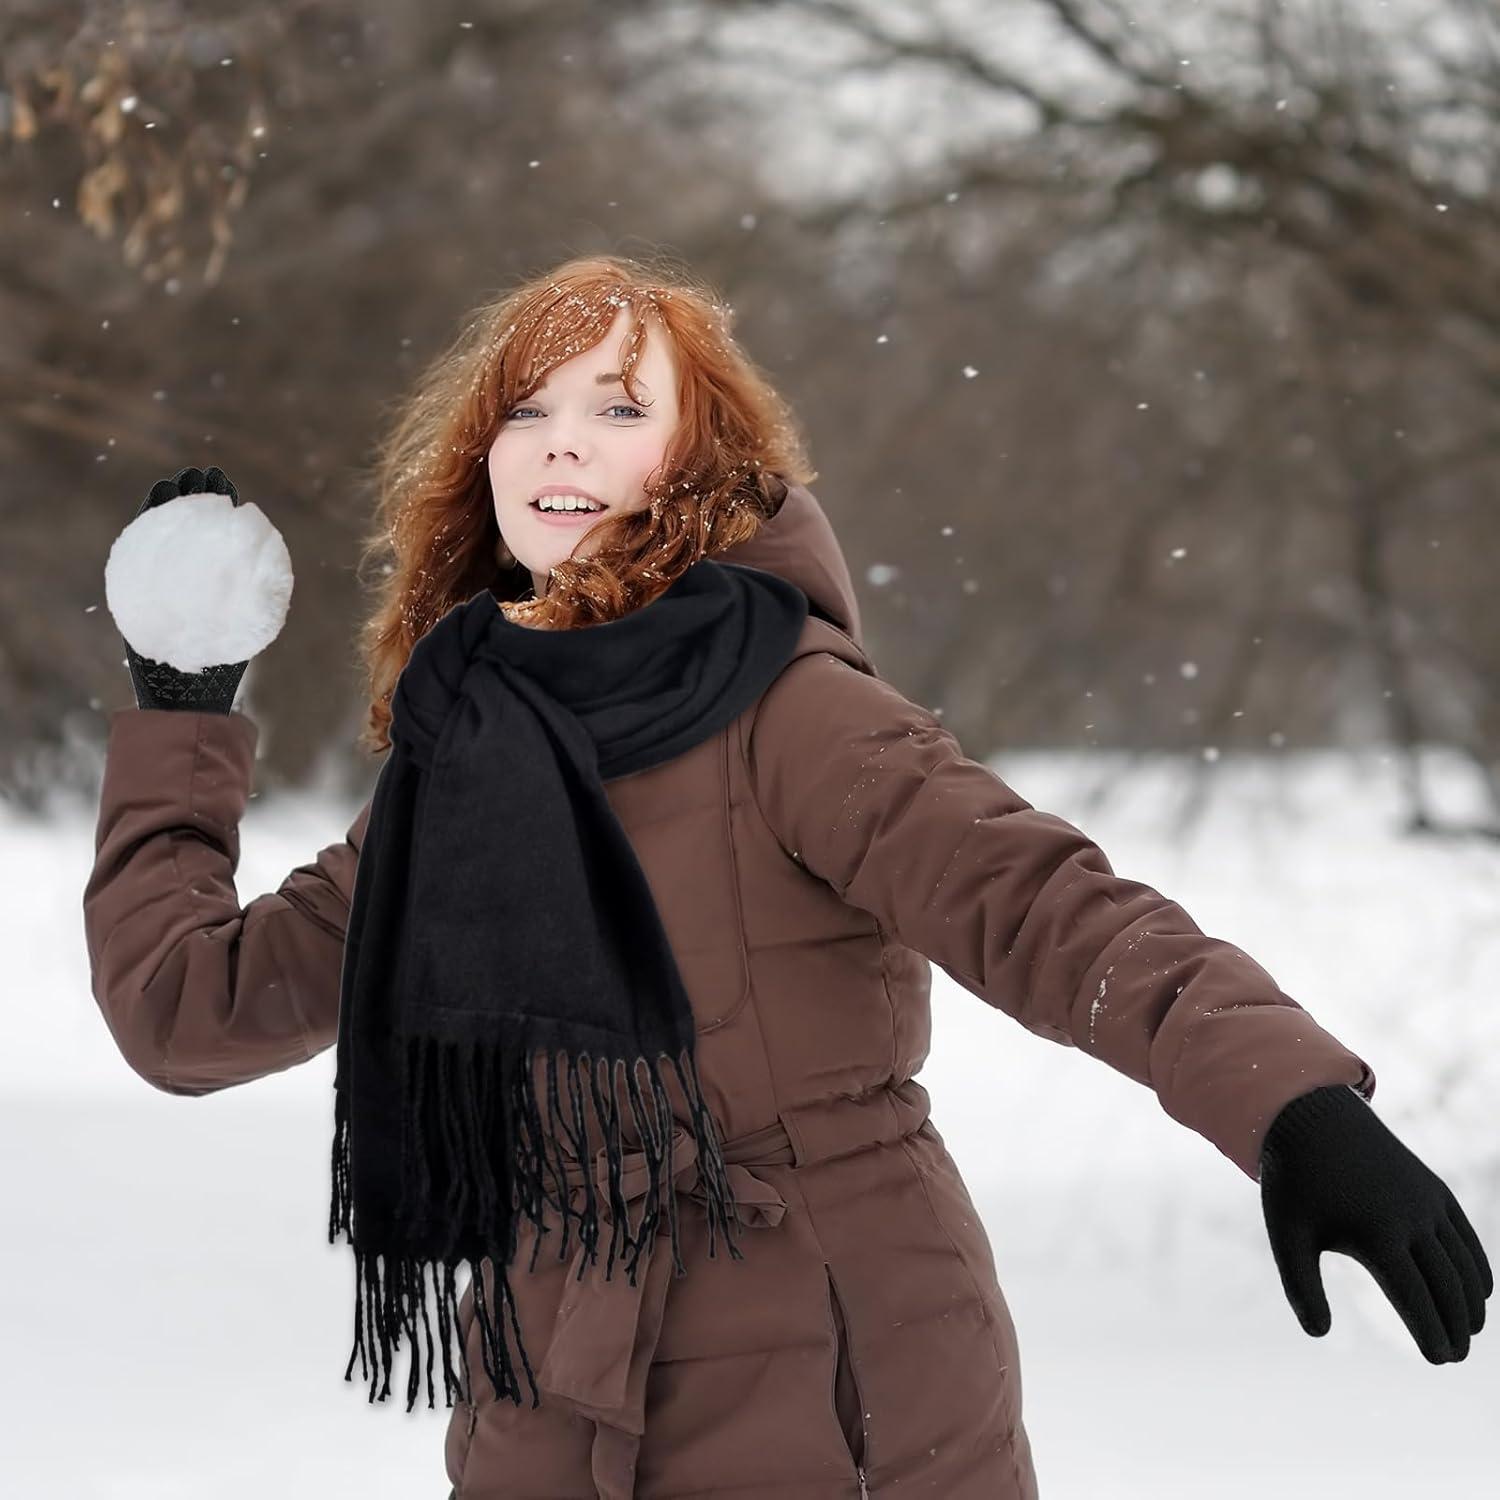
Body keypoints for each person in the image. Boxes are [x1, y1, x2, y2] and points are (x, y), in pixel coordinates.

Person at [84, 255, 1491, 1500]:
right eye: (528, 408)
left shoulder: (791, 704)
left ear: (697, 465)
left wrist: (1293, 1105)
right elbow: (190, 1012)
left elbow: (1044, 908)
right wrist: (181, 717)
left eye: (620, 409)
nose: (562, 441)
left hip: (847, 1372)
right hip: (550, 1381)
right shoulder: (463, 765)